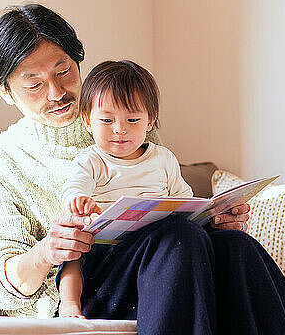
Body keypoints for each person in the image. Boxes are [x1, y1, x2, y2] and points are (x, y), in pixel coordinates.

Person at [0, 3, 285, 334]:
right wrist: (45, 253)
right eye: (34, 83)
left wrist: (212, 221)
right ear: (5, 90)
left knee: (236, 246)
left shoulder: (124, 127)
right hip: (84, 288)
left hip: (161, 264)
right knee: (178, 238)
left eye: (63, 71)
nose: (56, 92)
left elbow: (170, 205)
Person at [56, 60, 194, 318]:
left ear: (150, 121)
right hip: (103, 247)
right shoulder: (92, 160)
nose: (119, 129)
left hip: (153, 245)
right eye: (107, 119)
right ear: (87, 120)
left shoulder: (163, 158)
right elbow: (73, 187)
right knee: (73, 252)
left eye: (132, 119)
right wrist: (78, 200)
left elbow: (183, 199)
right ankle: (70, 305)